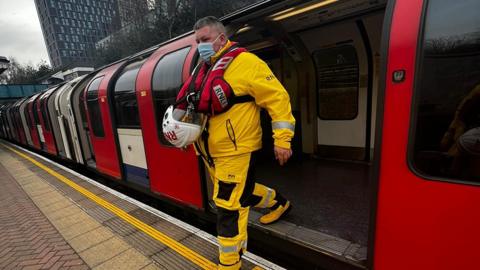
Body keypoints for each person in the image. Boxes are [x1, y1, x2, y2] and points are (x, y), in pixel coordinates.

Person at [182, 16, 295, 269]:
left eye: (205, 39)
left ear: (222, 38)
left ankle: (229, 263)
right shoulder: (203, 68)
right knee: (239, 191)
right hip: (209, 150)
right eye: (197, 41)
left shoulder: (247, 63)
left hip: (236, 148)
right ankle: (280, 203)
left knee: (228, 206)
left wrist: (283, 140)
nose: (201, 45)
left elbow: (278, 99)